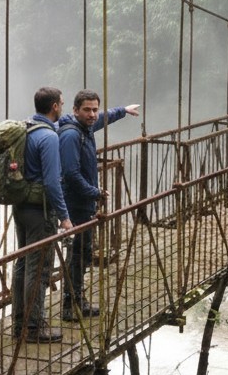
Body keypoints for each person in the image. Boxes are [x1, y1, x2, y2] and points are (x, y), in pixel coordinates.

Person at [58, 89, 140, 321]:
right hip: (75, 203)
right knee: (77, 253)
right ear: (75, 110)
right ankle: (69, 305)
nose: (93, 114)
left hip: (83, 202)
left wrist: (123, 111)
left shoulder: (85, 127)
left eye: (95, 109)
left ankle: (78, 300)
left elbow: (104, 117)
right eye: (87, 110)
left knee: (83, 251)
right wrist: (94, 192)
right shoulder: (71, 135)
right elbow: (71, 174)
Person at [12, 86, 72, 343]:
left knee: (23, 263)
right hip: (40, 211)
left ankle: (19, 324)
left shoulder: (25, 128)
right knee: (38, 269)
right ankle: (34, 328)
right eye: (62, 104)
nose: (63, 107)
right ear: (55, 106)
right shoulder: (48, 137)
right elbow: (51, 183)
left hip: (20, 206)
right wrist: (64, 217)